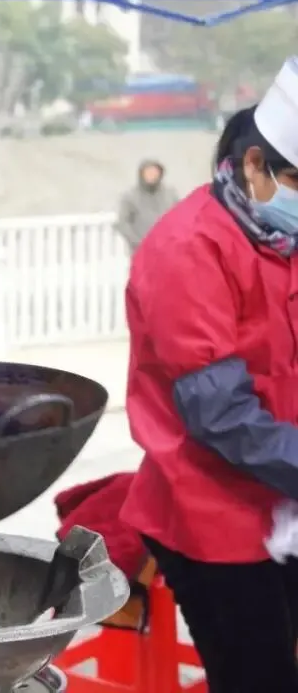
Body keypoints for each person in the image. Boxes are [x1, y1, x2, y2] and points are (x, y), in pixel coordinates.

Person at [120, 58, 298, 692]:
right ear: (255, 165)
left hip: (284, 496)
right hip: (210, 513)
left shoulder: (281, 240)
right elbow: (221, 414)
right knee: (257, 677)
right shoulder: (188, 248)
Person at [114, 159, 178, 251]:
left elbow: (180, 218)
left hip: (167, 248)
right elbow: (123, 223)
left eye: (154, 172)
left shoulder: (170, 194)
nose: (152, 175)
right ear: (141, 174)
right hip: (141, 249)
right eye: (148, 172)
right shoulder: (130, 196)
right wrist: (138, 242)